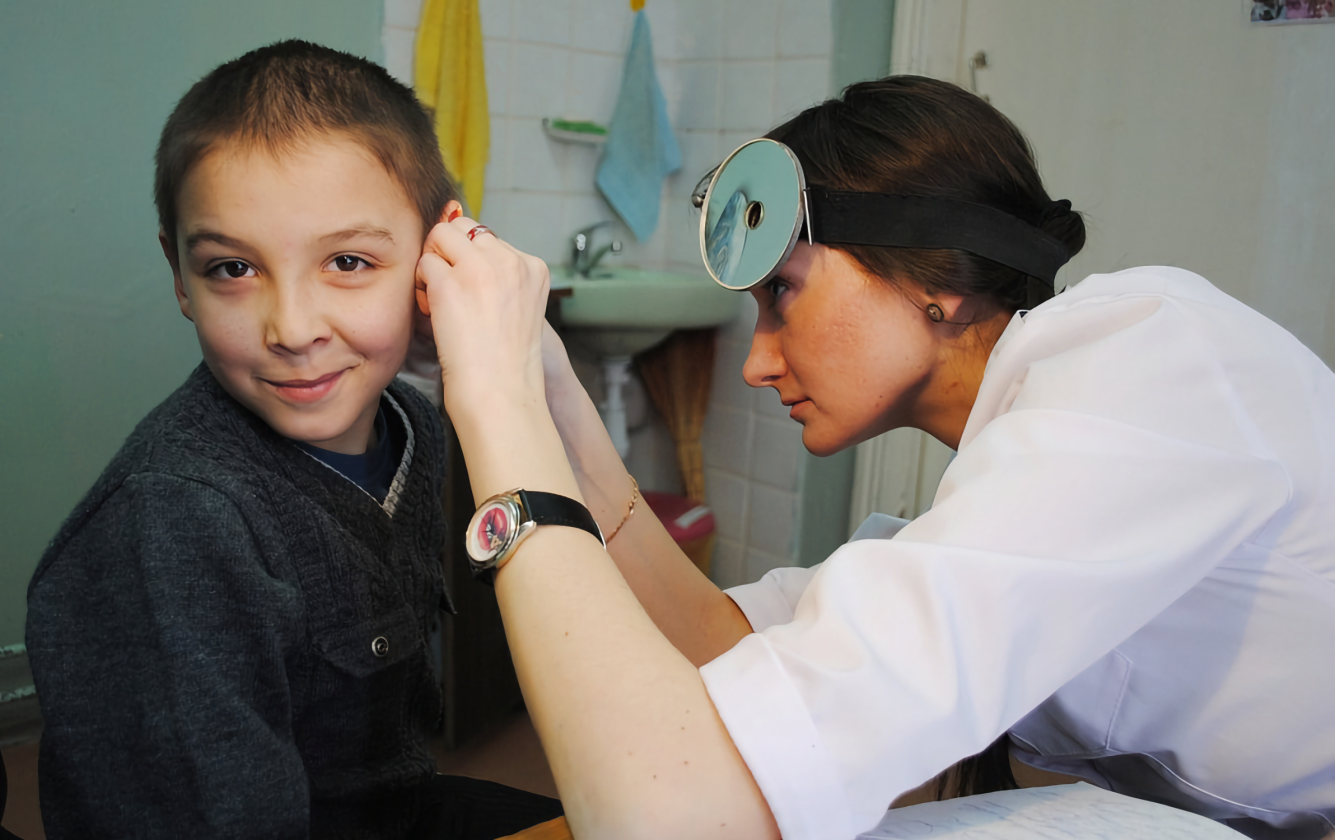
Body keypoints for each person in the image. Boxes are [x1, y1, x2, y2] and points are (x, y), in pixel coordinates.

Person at [416, 76, 1335, 840]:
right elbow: (727, 648)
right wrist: (556, 394)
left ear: (938, 278)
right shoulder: (1022, 461)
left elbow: (672, 813)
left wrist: (494, 405)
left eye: (783, 292)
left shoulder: (1146, 363)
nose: (757, 357)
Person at [24, 41, 562, 839]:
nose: (293, 329)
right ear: (179, 274)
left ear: (434, 257)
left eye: (347, 261)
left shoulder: (414, 425)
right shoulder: (175, 524)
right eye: (233, 270)